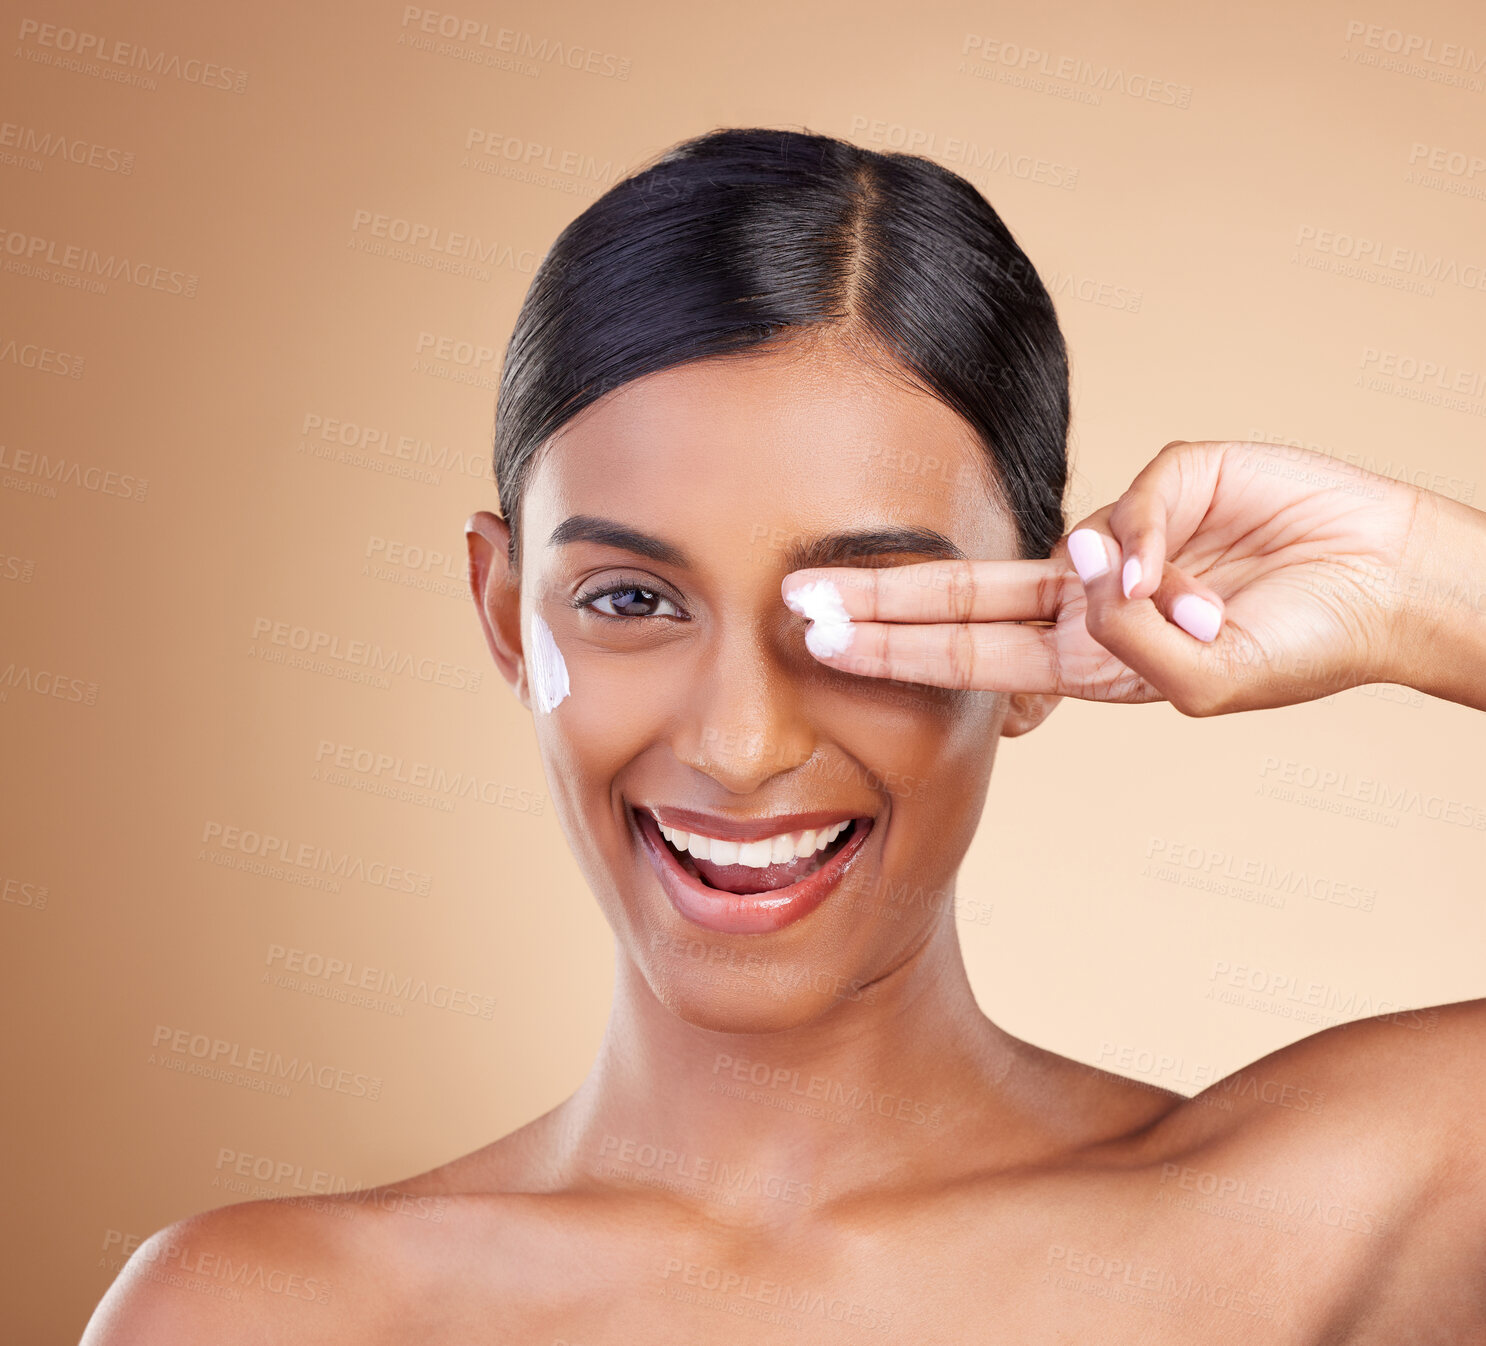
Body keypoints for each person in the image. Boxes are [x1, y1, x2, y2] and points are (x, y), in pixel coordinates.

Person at [82, 127, 1486, 1343]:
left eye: (869, 608)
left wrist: (1426, 581)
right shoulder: (257, 1312)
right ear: (508, 614)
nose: (743, 744)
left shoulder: (1312, 1229)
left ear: (1044, 635)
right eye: (630, 599)